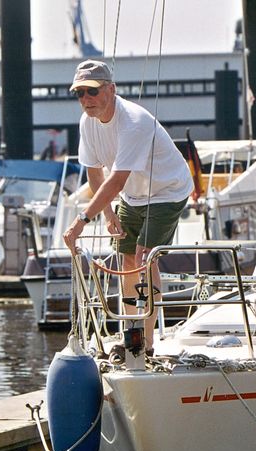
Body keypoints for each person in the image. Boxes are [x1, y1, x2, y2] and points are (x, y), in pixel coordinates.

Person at [63, 60, 193, 354]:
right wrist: (108, 215)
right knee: (126, 260)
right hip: (132, 196)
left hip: (167, 190)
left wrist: (82, 219)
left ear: (111, 89)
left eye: (92, 92)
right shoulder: (88, 123)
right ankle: (130, 333)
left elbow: (116, 180)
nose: (86, 99)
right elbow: (95, 172)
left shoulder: (133, 121)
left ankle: (146, 343)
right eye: (80, 93)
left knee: (146, 258)